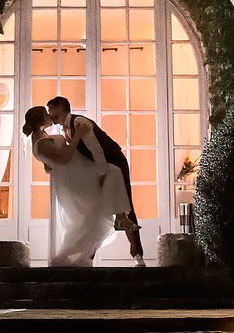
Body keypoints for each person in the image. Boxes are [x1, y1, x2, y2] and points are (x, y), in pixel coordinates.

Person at [22, 106, 135, 267]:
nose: (50, 116)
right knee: (113, 173)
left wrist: (49, 164)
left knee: (111, 178)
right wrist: (78, 135)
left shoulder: (41, 137)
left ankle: (121, 217)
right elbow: (65, 157)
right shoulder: (40, 142)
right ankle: (120, 218)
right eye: (46, 114)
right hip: (76, 175)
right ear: (41, 120)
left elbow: (48, 163)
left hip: (78, 169)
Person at [46, 95, 143, 261]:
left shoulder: (78, 123)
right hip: (99, 168)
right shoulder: (65, 129)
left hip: (114, 163)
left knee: (125, 205)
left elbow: (96, 150)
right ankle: (88, 256)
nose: (49, 114)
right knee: (95, 209)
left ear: (61, 108)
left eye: (51, 110)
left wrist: (102, 175)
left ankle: (137, 254)